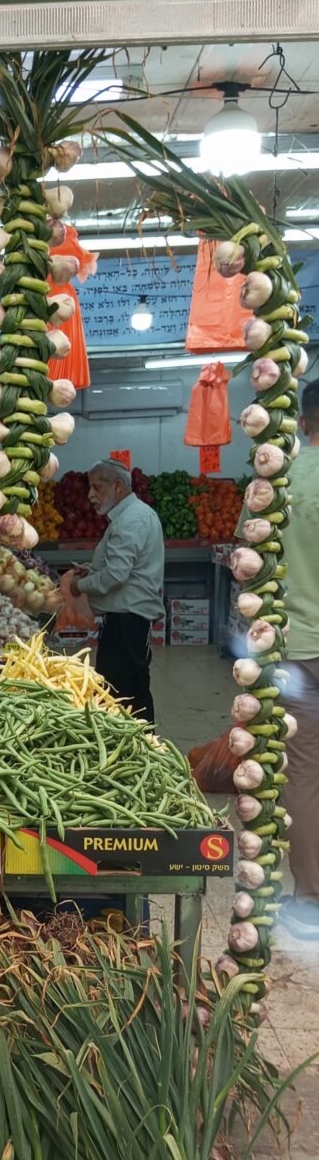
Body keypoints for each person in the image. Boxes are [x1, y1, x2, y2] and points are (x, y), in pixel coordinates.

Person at [65, 459, 164, 722]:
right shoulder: (131, 516)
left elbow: (116, 575)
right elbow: (125, 567)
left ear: (117, 486)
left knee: (124, 695)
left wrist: (79, 586)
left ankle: (140, 743)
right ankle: (137, 742)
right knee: (122, 691)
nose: (90, 495)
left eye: (97, 487)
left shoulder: (131, 520)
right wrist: (92, 571)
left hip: (127, 623)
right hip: (124, 621)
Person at [276, 377, 319, 939]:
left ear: (304, 422)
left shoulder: (280, 480)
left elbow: (249, 559)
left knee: (304, 770)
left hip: (298, 648)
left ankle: (310, 902)